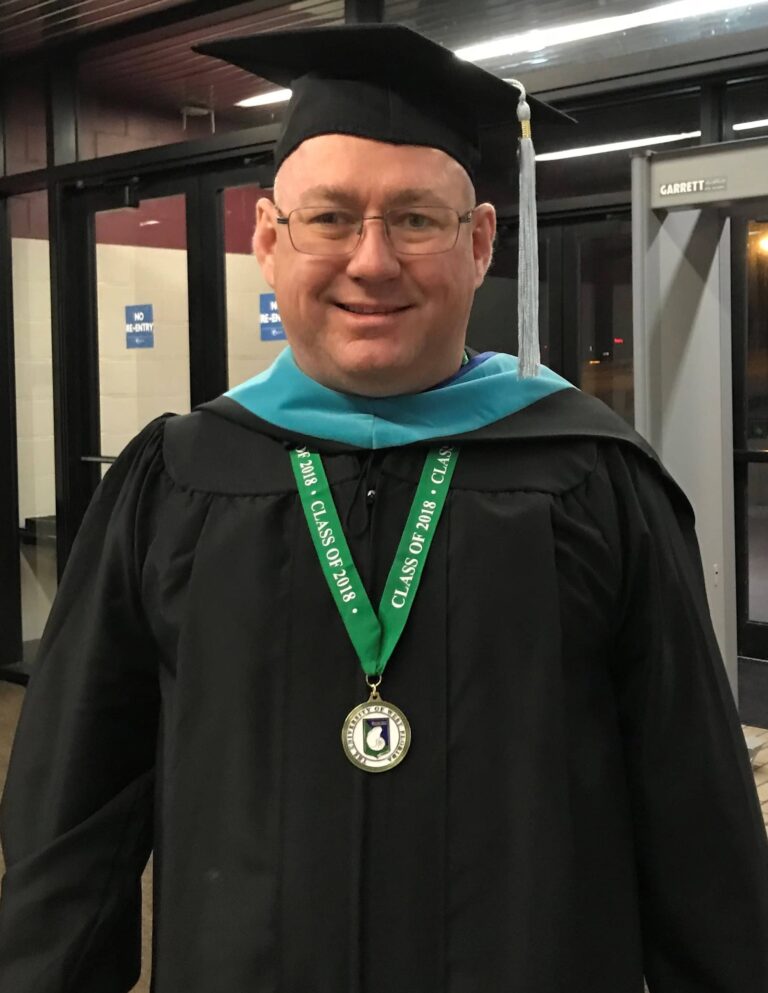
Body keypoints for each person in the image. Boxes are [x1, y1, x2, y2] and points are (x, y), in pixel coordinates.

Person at [0, 22, 767, 993]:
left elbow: (699, 830)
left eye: (415, 219)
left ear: (480, 242)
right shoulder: (174, 481)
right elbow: (72, 830)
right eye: (330, 218)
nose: (372, 260)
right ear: (268, 240)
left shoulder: (595, 480)